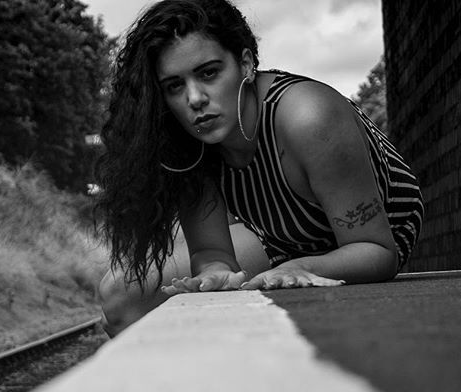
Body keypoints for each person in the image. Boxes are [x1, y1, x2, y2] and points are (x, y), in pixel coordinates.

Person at [95, 0, 424, 336]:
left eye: (208, 72)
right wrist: (216, 275)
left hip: (367, 240)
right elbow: (212, 252)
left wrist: (299, 268)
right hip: (282, 237)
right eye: (174, 86)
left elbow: (380, 252)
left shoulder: (308, 117)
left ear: (246, 64)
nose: (194, 98)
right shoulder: (190, 141)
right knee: (120, 299)